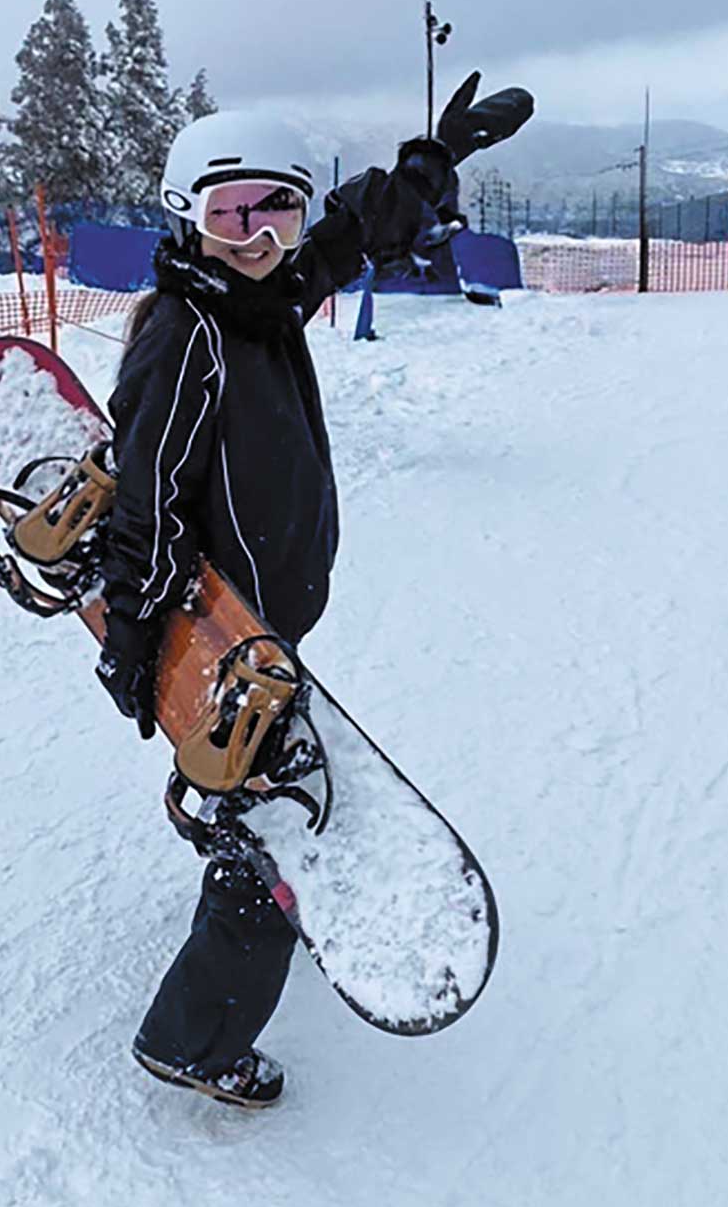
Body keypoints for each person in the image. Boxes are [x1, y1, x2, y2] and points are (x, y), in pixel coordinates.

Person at [96, 74, 533, 1108]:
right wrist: (134, 630)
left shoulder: (257, 297)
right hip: (215, 627)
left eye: (276, 207)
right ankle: (192, 1037)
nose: (256, 234)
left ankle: (228, 822)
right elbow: (147, 496)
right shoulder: (186, 330)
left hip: (264, 614)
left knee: (259, 790)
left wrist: (431, 164)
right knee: (279, 825)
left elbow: (345, 237)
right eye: (229, 211)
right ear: (183, 217)